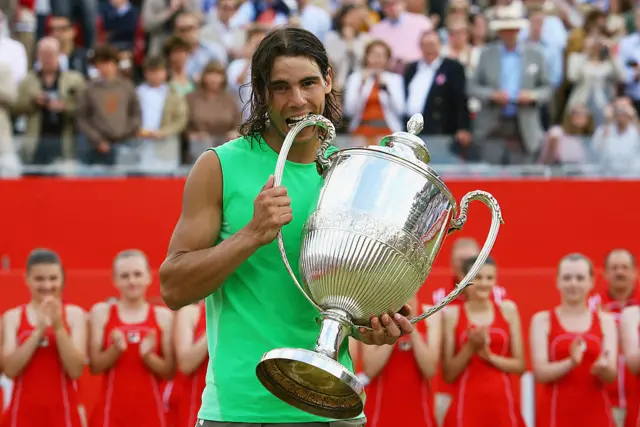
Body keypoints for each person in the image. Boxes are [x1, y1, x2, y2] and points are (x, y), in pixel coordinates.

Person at [159, 26, 414, 427]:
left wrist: (373, 325)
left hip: (333, 409)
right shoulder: (219, 166)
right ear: (261, 91)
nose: (298, 100)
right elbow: (173, 288)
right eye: (281, 87)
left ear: (328, 79)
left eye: (309, 83)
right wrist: (251, 234)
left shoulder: (351, 174)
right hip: (240, 411)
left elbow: (346, 311)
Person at [88, 249, 175, 427]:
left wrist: (148, 357)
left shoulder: (163, 316)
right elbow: (95, 367)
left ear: (148, 277)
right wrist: (115, 350)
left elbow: (170, 371)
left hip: (151, 414)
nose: (132, 281)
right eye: (125, 276)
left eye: (137, 274)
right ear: (115, 280)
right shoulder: (101, 313)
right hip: (110, 413)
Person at [1, 249, 87, 427]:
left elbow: (76, 370)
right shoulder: (12, 317)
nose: (47, 285)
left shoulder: (74, 315)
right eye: (39, 279)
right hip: (22, 415)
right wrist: (38, 331)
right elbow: (9, 370)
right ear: (27, 279)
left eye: (53, 278)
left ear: (62, 279)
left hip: (64, 415)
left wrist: (57, 327)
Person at [531, 253, 617, 427]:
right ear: (557, 281)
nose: (573, 284)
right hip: (555, 414)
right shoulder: (542, 320)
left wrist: (603, 367)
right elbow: (540, 373)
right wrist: (570, 363)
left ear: (591, 282)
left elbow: (612, 375)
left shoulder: (605, 321)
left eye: (580, 278)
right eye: (567, 278)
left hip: (597, 413)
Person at [441, 256, 526, 427]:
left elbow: (520, 366)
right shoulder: (452, 315)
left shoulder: (508, 310)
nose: (484, 283)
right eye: (478, 277)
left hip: (502, 406)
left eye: (490, 278)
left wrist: (490, 357)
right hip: (466, 407)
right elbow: (448, 375)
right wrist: (470, 346)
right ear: (465, 279)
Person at [362, 294, 441, 427]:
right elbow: (369, 370)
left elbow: (430, 370)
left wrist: (411, 328)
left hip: (419, 417)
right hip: (379, 416)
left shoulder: (431, 316)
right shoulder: (375, 319)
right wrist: (393, 331)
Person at [173, 302, 208, 427]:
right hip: (199, 408)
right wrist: (215, 326)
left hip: (236, 407)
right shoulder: (191, 312)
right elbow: (186, 365)